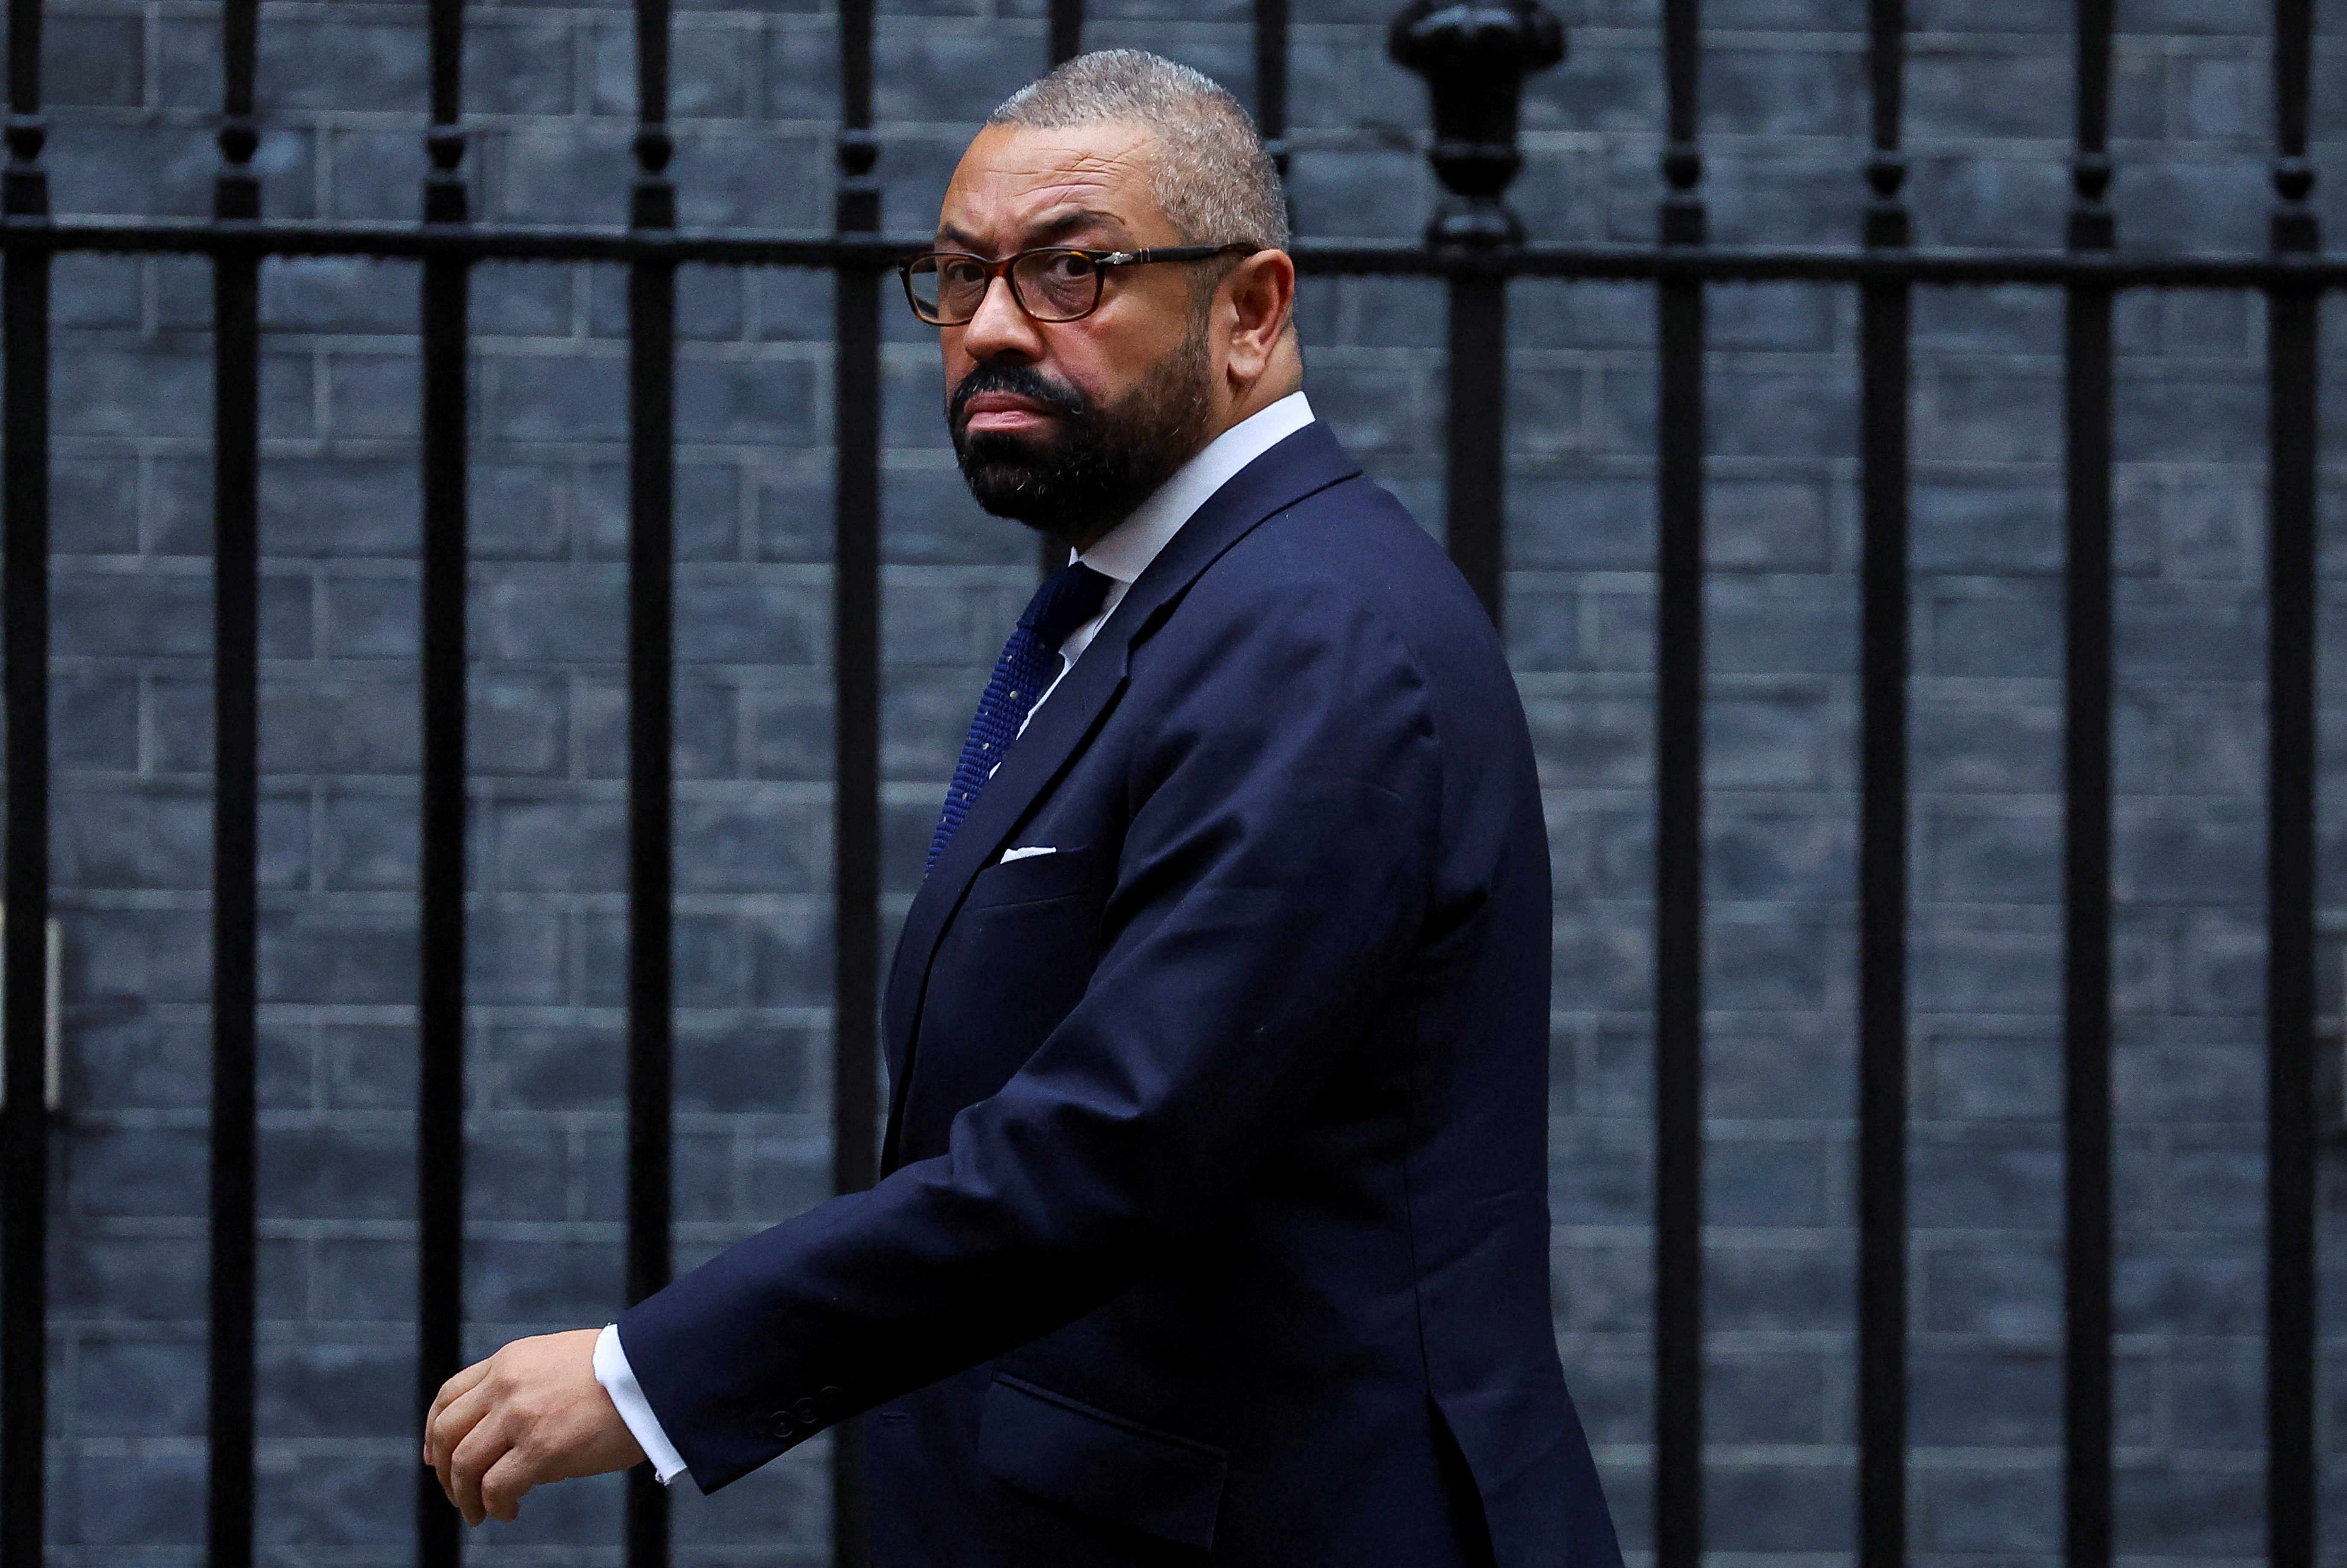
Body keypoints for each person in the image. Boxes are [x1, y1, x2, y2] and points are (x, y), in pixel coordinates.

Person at [424, 50, 1621, 1568]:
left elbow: (1113, 1145)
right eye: (959, 276)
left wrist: (645, 1373)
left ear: (1250, 310)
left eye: (1073, 272)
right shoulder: (1166, 607)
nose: (993, 328)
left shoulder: (1312, 634)